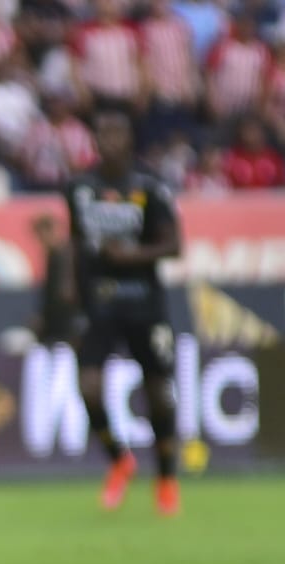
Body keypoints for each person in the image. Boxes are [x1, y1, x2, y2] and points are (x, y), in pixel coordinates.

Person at [62, 110, 183, 516]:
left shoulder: (150, 186)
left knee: (159, 396)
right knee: (88, 388)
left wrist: (132, 255)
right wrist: (71, 291)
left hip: (144, 302)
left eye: (118, 133)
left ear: (131, 140)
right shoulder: (79, 187)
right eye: (103, 133)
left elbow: (174, 245)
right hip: (99, 302)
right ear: (94, 141)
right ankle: (119, 458)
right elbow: (76, 244)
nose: (110, 141)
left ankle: (166, 477)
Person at [29, 212, 77, 346]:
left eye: (40, 235)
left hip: (66, 320)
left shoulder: (64, 254)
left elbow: (65, 291)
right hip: (58, 319)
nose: (40, 241)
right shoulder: (54, 255)